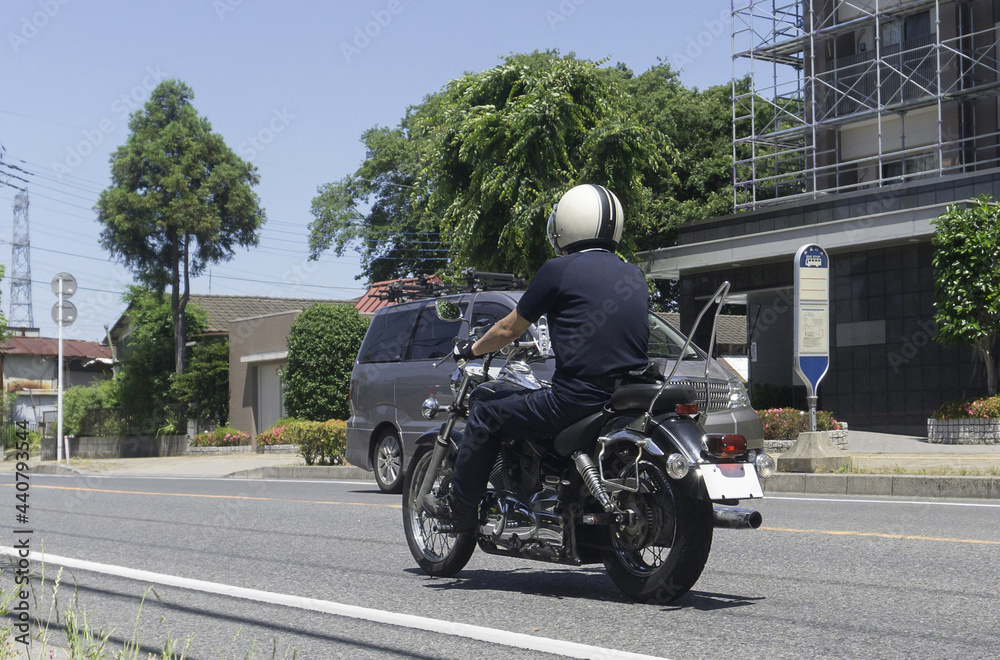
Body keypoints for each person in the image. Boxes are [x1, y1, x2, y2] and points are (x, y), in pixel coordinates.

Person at [428, 184, 650, 532]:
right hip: (627, 395)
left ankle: (460, 508)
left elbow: (508, 330)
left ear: (569, 223)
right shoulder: (633, 274)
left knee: (486, 409)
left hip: (576, 399)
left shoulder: (558, 270)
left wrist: (470, 349)